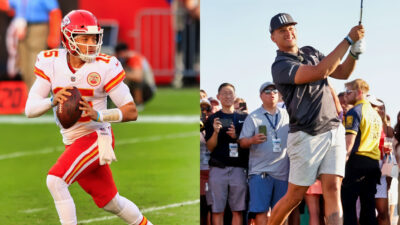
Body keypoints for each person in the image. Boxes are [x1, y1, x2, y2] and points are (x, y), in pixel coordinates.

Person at [24, 10, 152, 225]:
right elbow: (30, 109)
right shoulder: (52, 62)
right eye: (83, 38)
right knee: (111, 202)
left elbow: (131, 111)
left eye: (94, 38)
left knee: (55, 180)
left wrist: (99, 114)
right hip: (72, 141)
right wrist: (52, 101)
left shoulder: (105, 65)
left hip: (96, 137)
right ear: (67, 38)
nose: (90, 44)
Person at [267, 12, 364, 225]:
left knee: (333, 188)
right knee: (294, 196)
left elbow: (343, 72)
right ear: (273, 37)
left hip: (333, 129)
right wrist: (348, 40)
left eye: (292, 27)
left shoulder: (310, 51)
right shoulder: (280, 65)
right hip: (306, 135)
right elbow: (321, 71)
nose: (289, 32)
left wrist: (354, 54)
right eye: (282, 30)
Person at [239, 82, 290, 225]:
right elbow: (242, 142)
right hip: (261, 172)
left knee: (281, 212)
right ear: (261, 96)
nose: (272, 93)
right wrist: (252, 140)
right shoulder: (253, 117)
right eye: (267, 91)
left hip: (283, 172)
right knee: (261, 212)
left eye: (274, 90)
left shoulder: (288, 115)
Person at [205, 83, 249, 225]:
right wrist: (216, 132)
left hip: (238, 168)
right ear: (218, 97)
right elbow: (210, 147)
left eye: (230, 93)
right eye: (224, 93)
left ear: (235, 96)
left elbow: (249, 143)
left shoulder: (245, 117)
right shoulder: (213, 119)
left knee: (238, 210)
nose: (227, 96)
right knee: (217, 209)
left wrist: (236, 136)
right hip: (218, 168)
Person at [342, 79, 382, 225]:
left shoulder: (354, 111)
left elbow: (349, 142)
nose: (345, 96)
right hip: (373, 163)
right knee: (368, 205)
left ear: (359, 92)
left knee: (348, 204)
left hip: (356, 162)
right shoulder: (376, 114)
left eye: (348, 92)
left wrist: (342, 162)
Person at [8, 0, 61, 89]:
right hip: (21, 28)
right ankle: (30, 97)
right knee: (24, 68)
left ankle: (36, 98)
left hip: (37, 27)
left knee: (34, 65)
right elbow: (8, 6)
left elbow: (55, 12)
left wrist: (54, 36)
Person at [114, 42, 156, 111]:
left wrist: (121, 73)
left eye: (122, 53)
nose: (121, 56)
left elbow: (138, 77)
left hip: (147, 89)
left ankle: (138, 103)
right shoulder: (116, 59)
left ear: (126, 52)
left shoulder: (135, 58)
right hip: (130, 87)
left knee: (136, 81)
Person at [200, 98, 212, 225]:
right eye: (201, 108)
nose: (204, 111)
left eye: (206, 108)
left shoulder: (214, 124)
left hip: (212, 171)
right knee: (202, 206)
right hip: (199, 171)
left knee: (212, 208)